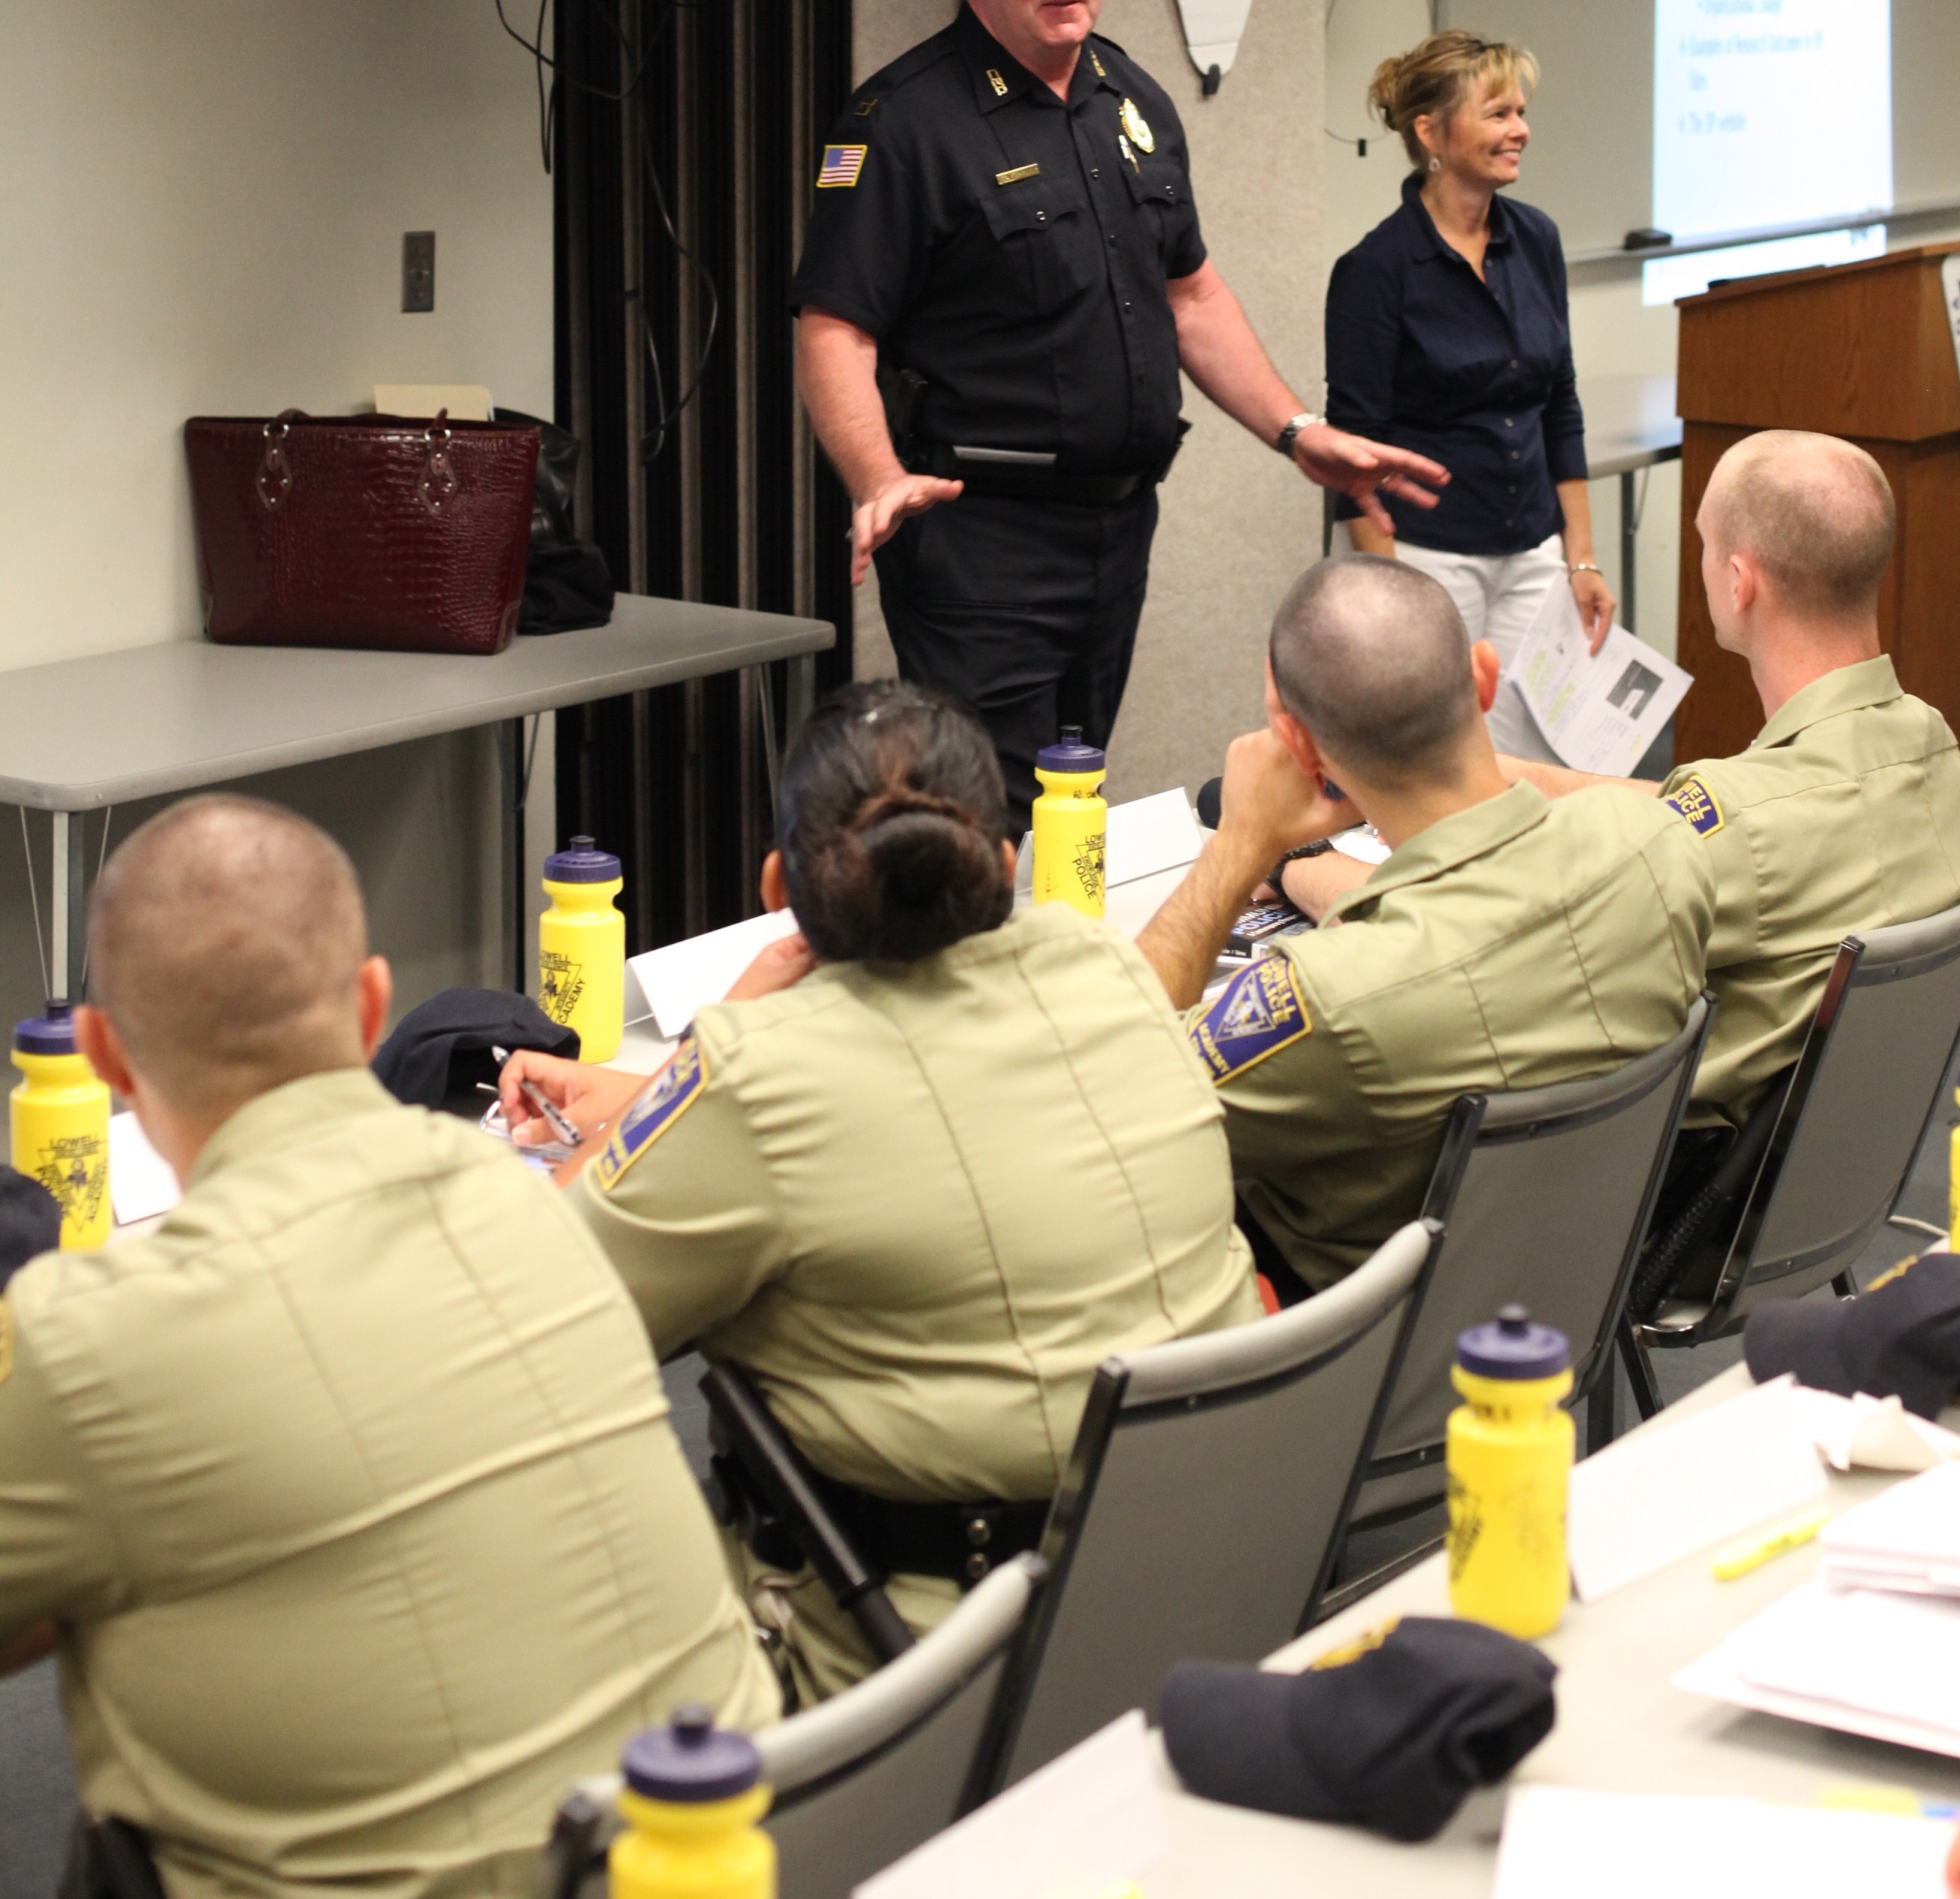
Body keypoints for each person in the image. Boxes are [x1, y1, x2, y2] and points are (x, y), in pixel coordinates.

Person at [0, 796, 775, 1899]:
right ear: (373, 1007)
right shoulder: (555, 1214)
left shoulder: (95, 1340)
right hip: (709, 1852)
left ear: (103, 1061)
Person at [499, 680, 1260, 1704]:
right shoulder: (1107, 969)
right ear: (1002, 862)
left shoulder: (754, 1076)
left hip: (931, 1674)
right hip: (1212, 1592)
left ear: (779, 889)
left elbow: (531, 1307)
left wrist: (706, 1054)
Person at [791, 0, 1448, 826]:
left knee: (1074, 796)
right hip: (981, 539)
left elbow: (1190, 293)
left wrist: (1293, 429)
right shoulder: (902, 123)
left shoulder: (1126, 96)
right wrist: (875, 475)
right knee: (993, 816)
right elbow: (834, 326)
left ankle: (1062, 977)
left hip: (1115, 526)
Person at [1132, 559, 1713, 1296]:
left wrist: (1240, 842)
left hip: (1377, 1361)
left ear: (1298, 745)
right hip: (1583, 1292)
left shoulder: (1333, 994)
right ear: (1484, 675)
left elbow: (1121, 1083)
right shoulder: (1657, 846)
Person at [1491, 429, 1960, 1132]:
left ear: (1738, 581)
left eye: (1702, 545)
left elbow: (1511, 937)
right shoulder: (1931, 740)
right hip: (1815, 1172)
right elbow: (1718, 815)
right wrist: (1510, 778)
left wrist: (1306, 866)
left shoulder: (1741, 822)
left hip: (1658, 1190)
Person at [1324, 31, 1612, 763]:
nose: (1519, 130)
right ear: (1430, 132)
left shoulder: (1537, 239)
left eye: (1520, 112)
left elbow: (1560, 406)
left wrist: (1580, 560)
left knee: (1542, 763)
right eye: (1497, 114)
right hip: (1428, 561)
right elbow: (1353, 456)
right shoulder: (1375, 270)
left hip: (1533, 553)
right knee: (1440, 764)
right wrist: (1388, 604)